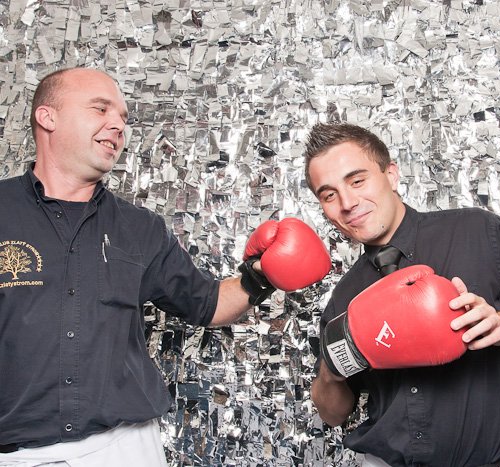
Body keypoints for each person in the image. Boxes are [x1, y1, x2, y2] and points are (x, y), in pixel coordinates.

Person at [0, 67, 330, 466]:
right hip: (17, 453)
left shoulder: (140, 227)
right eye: (100, 109)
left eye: (123, 117)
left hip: (123, 448)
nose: (117, 125)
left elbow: (206, 303)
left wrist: (259, 276)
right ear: (47, 116)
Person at [305, 123, 500, 467]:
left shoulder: (475, 230)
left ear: (391, 174)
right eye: (329, 195)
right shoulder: (344, 298)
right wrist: (331, 368)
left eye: (357, 181)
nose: (347, 203)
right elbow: (334, 414)